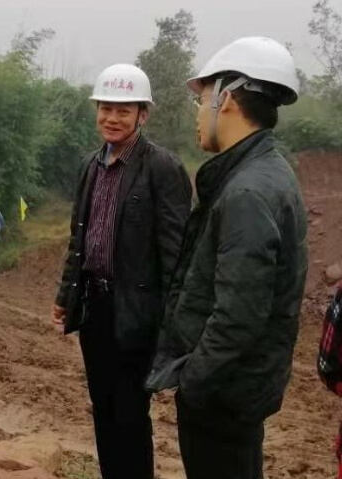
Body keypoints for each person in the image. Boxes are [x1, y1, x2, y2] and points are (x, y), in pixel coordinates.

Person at [146, 37, 308, 479]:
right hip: (235, 392)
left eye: (201, 101)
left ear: (228, 99)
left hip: (222, 397)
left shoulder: (247, 192)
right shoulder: (262, 173)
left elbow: (239, 315)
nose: (198, 114)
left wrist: (194, 381)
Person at [52, 63, 192, 479]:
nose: (112, 118)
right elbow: (79, 239)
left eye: (123, 111)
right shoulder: (90, 165)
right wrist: (65, 295)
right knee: (103, 407)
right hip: (95, 306)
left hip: (137, 312)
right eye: (106, 109)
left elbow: (176, 253)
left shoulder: (162, 168)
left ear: (142, 115)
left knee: (129, 413)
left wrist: (172, 323)